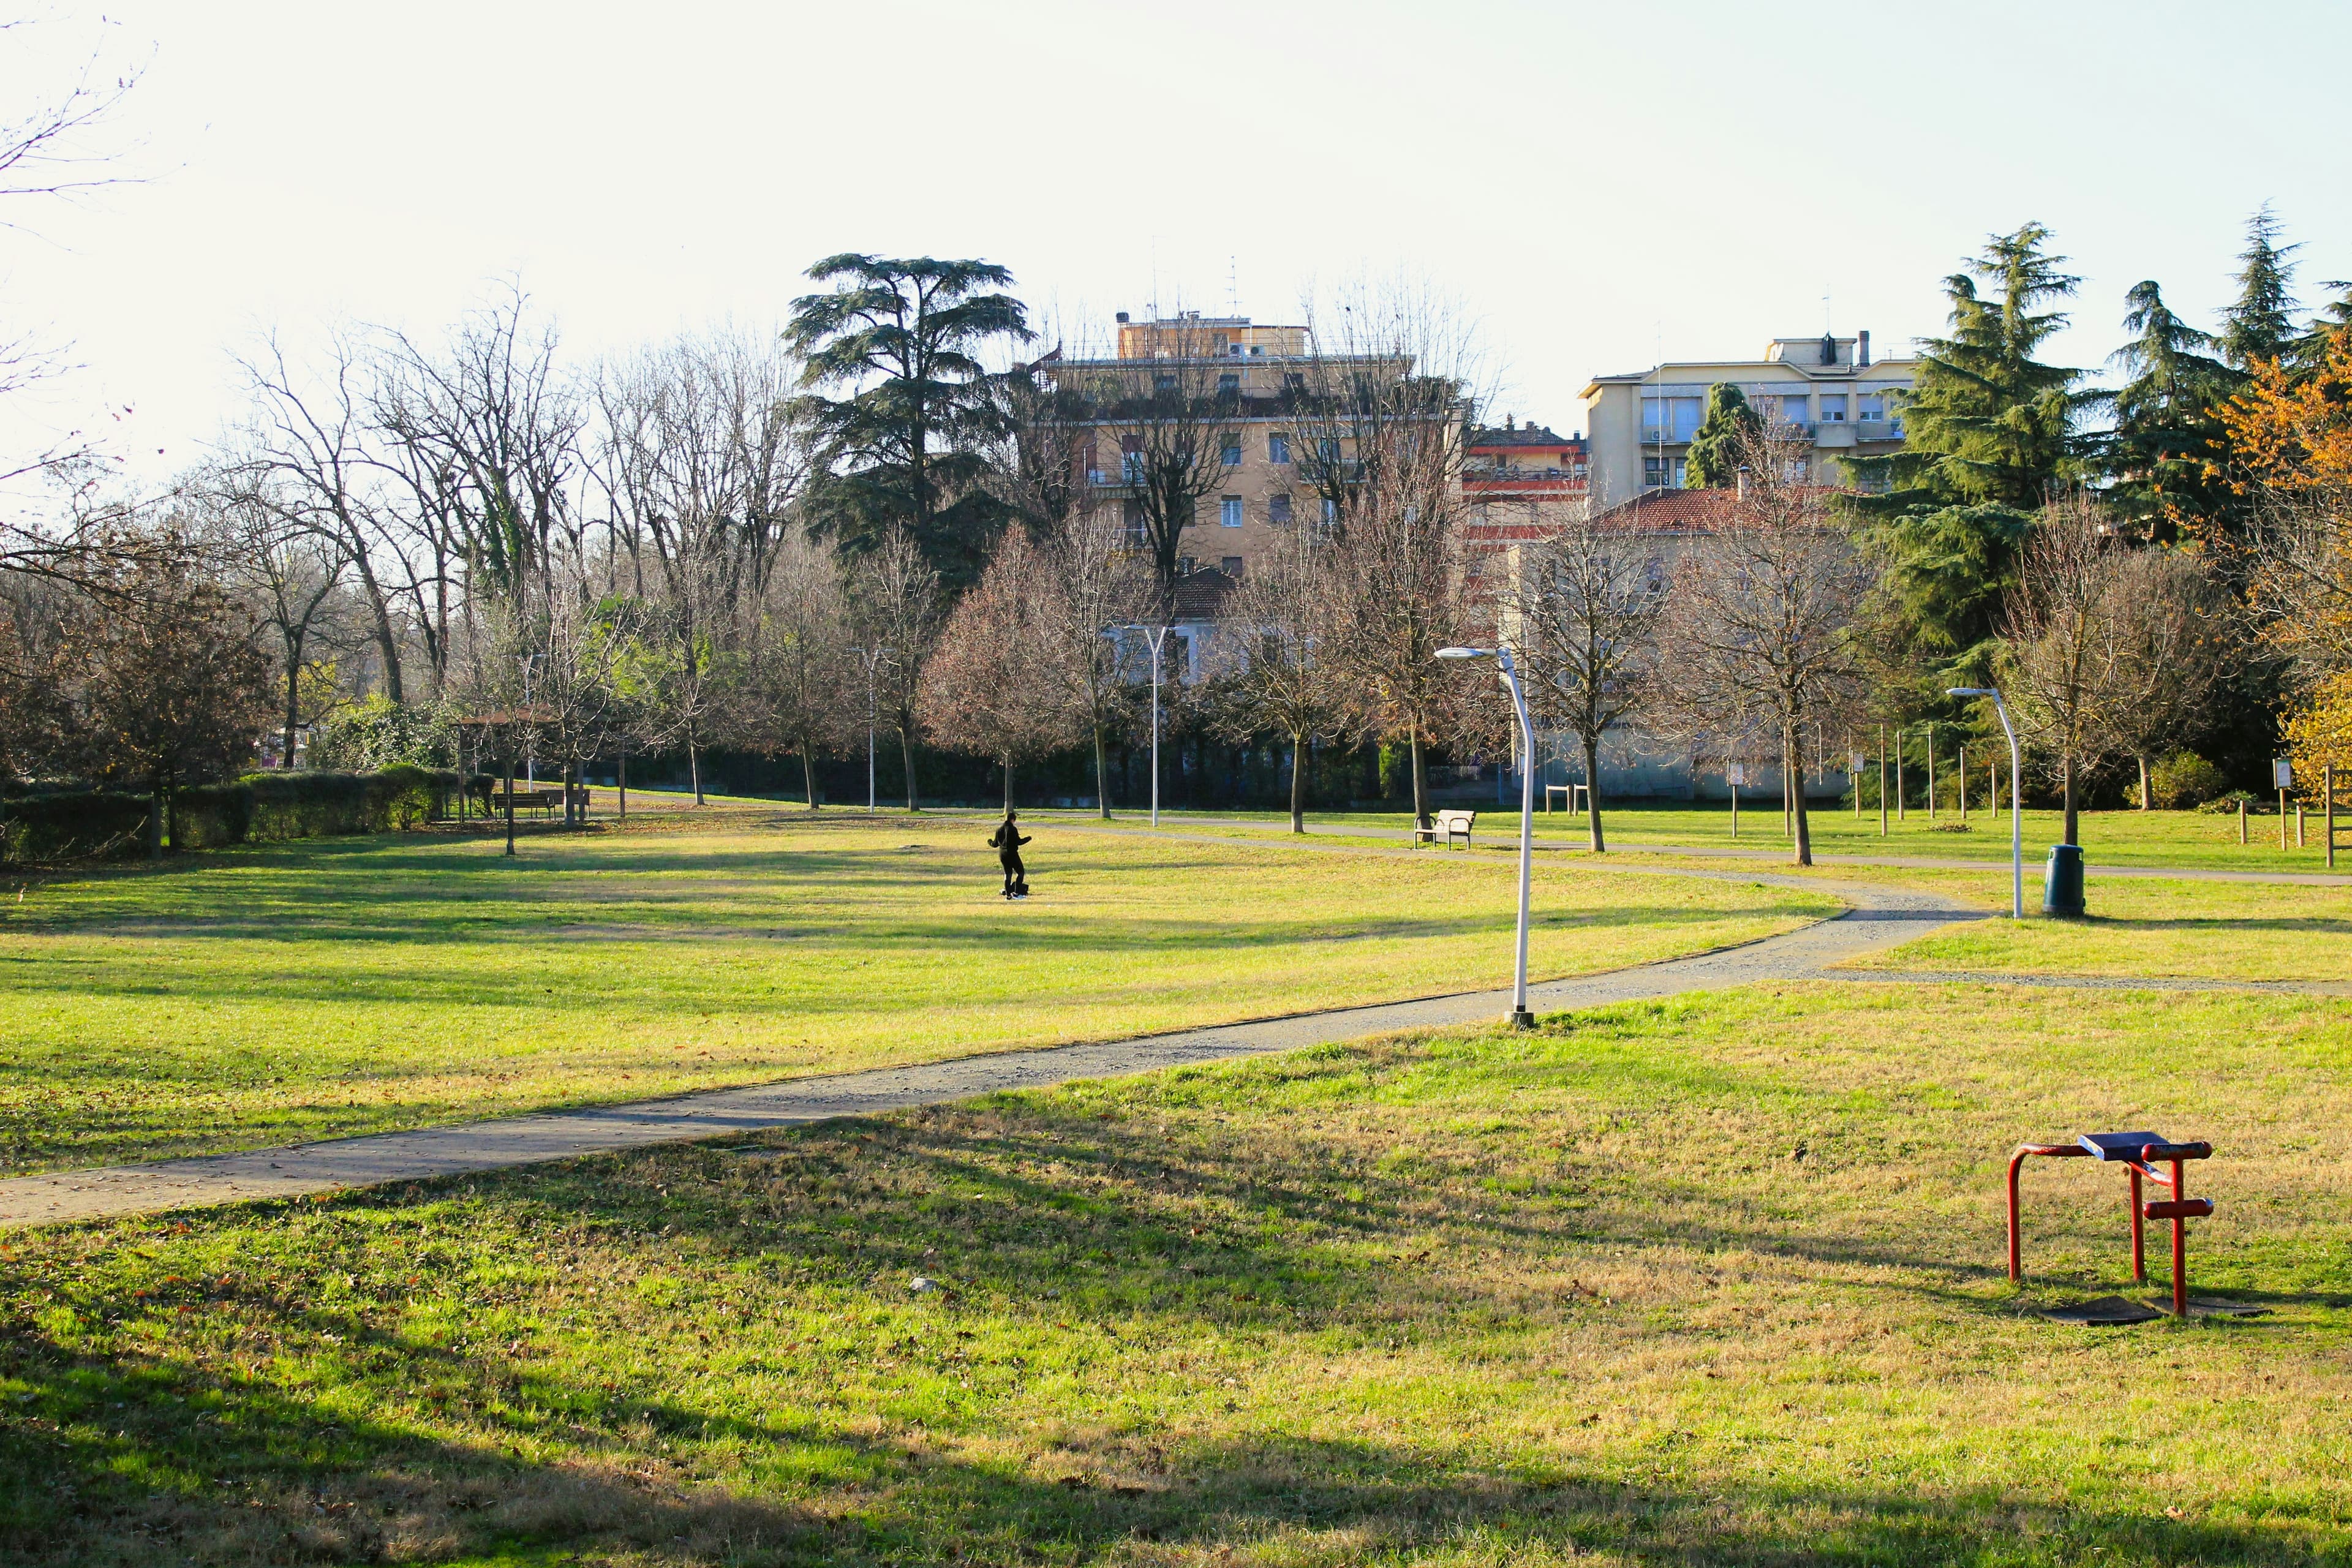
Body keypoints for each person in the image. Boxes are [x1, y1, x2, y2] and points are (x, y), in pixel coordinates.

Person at [988, 809, 1031, 899]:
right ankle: (1017, 893)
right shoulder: (1012, 829)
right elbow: (1018, 842)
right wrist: (1028, 839)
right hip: (1012, 854)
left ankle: (1008, 895)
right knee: (1020, 872)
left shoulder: (999, 830)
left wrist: (989, 841)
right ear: (1013, 820)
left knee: (1008, 874)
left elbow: (995, 844)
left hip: (1002, 854)